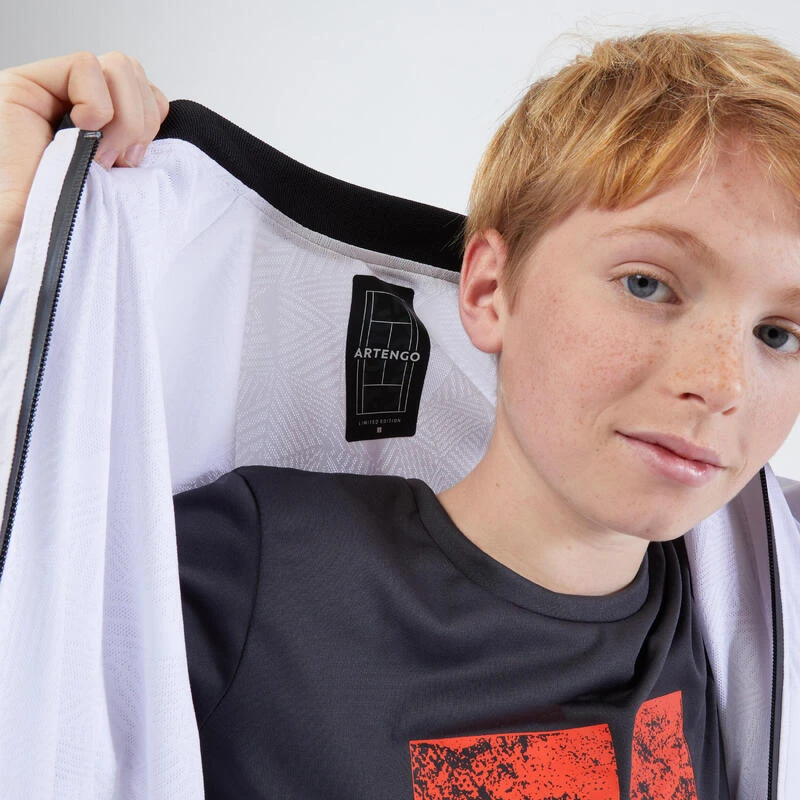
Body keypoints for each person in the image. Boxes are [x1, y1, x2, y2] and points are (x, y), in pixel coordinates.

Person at [2, 28, 800, 799]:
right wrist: (15, 263)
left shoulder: (758, 616)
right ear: (488, 291)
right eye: (647, 284)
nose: (721, 383)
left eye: (778, 333)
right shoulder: (258, 567)